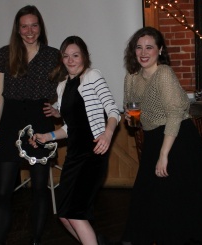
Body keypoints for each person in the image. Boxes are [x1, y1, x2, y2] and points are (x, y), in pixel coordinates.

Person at [121, 26, 202, 244]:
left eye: (149, 47)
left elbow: (174, 114)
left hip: (177, 139)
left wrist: (164, 155)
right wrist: (129, 118)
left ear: (159, 50)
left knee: (173, 202)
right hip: (154, 139)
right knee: (146, 197)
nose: (143, 53)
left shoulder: (163, 73)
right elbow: (133, 110)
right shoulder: (131, 78)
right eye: (139, 47)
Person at [29, 36, 120, 245]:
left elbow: (113, 110)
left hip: (93, 153)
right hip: (73, 157)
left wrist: (107, 134)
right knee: (64, 215)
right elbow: (70, 127)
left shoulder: (92, 76)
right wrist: (48, 136)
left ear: (84, 57)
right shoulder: (62, 87)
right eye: (66, 56)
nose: (71, 60)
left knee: (77, 214)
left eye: (75, 55)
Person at [0, 5, 60, 245]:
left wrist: (58, 111)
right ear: (17, 30)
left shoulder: (53, 55)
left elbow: (65, 91)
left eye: (34, 25)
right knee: (2, 191)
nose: (30, 31)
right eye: (24, 26)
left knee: (40, 189)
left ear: (40, 27)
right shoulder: (3, 54)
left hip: (40, 123)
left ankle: (36, 240)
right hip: (10, 122)